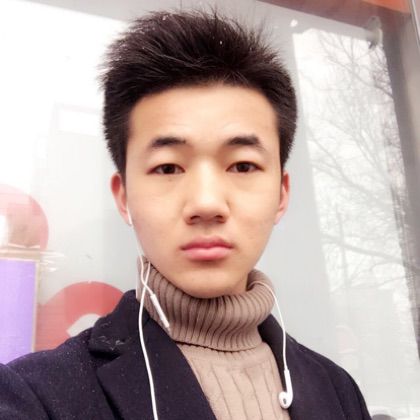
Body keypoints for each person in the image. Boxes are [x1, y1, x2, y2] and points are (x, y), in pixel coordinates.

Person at [0, 8, 372, 420]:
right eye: (168, 168)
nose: (206, 204)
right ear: (124, 197)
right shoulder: (35, 398)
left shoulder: (338, 391)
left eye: (242, 165)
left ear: (282, 195)